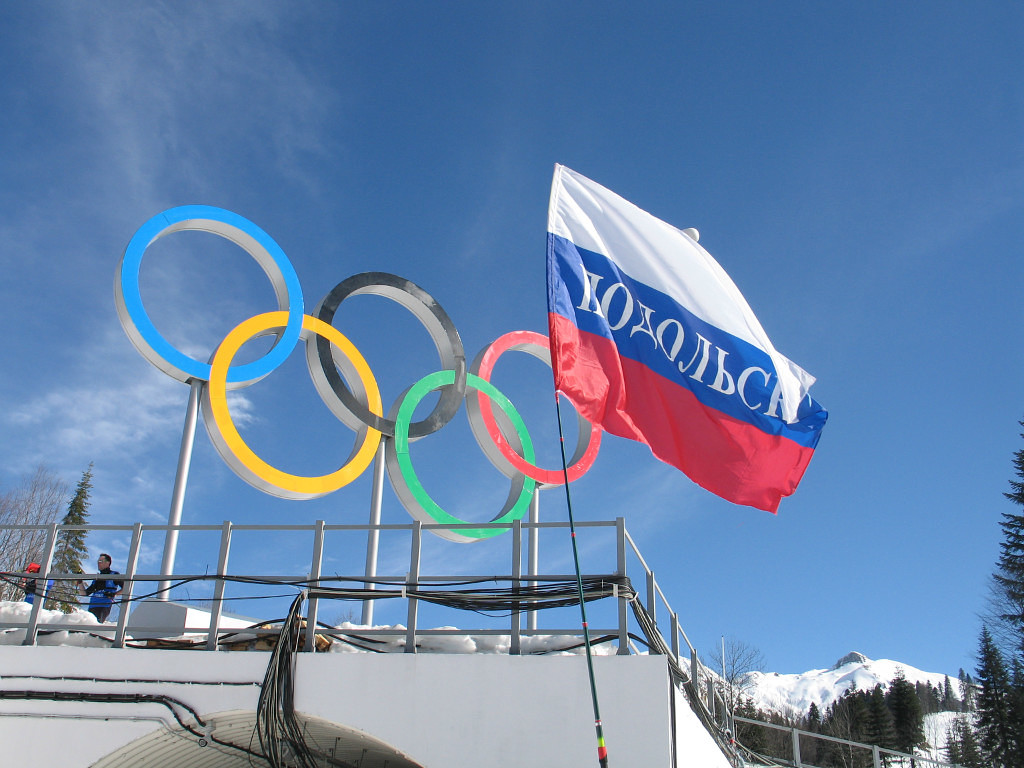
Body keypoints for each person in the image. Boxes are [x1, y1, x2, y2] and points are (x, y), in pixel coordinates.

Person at [77, 553, 122, 622]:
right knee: (87, 623)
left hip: (104, 606)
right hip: (92, 606)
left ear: (108, 563)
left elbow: (126, 588)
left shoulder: (114, 575)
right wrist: (80, 581)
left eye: (101, 561)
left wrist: (114, 594)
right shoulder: (96, 578)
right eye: (98, 561)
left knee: (96, 623)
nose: (98, 563)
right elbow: (84, 594)